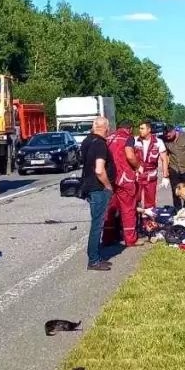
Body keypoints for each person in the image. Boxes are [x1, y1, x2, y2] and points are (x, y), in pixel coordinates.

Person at [78, 116, 116, 271]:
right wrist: (108, 186)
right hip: (98, 188)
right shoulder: (100, 144)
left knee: (96, 223)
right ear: (106, 128)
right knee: (97, 224)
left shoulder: (87, 141)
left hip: (88, 185)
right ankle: (93, 260)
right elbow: (99, 170)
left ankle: (96, 256)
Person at [104, 120, 141, 247]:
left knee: (109, 208)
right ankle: (130, 239)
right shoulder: (128, 138)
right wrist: (138, 166)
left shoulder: (108, 138)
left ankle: (107, 238)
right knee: (128, 209)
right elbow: (130, 156)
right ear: (129, 129)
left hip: (109, 178)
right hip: (124, 178)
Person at [131, 120, 168, 212]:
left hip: (151, 176)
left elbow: (164, 159)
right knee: (135, 200)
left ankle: (150, 223)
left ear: (149, 129)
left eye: (142, 128)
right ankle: (136, 222)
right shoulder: (135, 141)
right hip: (137, 175)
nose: (140, 130)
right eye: (139, 128)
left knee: (150, 202)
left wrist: (165, 176)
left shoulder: (158, 142)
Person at [162, 124, 185, 210]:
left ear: (174, 131)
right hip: (174, 168)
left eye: (169, 134)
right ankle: (178, 210)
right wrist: (165, 170)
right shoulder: (165, 140)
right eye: (166, 135)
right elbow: (166, 155)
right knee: (175, 191)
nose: (168, 137)